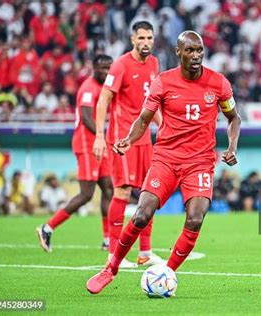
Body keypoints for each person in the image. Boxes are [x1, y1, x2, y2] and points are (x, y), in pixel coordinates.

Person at [86, 30, 241, 294]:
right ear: (178, 52)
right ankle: (110, 269)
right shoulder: (163, 81)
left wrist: (232, 147)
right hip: (167, 158)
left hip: (200, 162)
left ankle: (166, 272)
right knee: (141, 214)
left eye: (199, 50)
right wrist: (128, 139)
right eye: (190, 50)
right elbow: (143, 119)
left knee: (195, 219)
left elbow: (234, 118)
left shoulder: (219, 83)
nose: (196, 56)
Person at [92, 21, 163, 267]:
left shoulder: (154, 64)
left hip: (144, 139)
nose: (145, 42)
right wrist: (100, 136)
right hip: (123, 139)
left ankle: (145, 251)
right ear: (133, 39)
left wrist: (164, 128)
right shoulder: (121, 65)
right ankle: (113, 253)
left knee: (150, 192)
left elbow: (152, 105)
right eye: (141, 38)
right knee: (122, 191)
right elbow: (103, 101)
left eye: (149, 38)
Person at [36, 54, 114, 253]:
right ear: (93, 68)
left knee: (108, 189)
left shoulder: (105, 87)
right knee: (86, 194)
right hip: (87, 145)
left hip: (99, 144)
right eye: (101, 68)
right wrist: (100, 135)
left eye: (108, 68)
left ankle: (107, 239)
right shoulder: (88, 88)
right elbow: (87, 117)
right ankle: (47, 227)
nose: (105, 72)